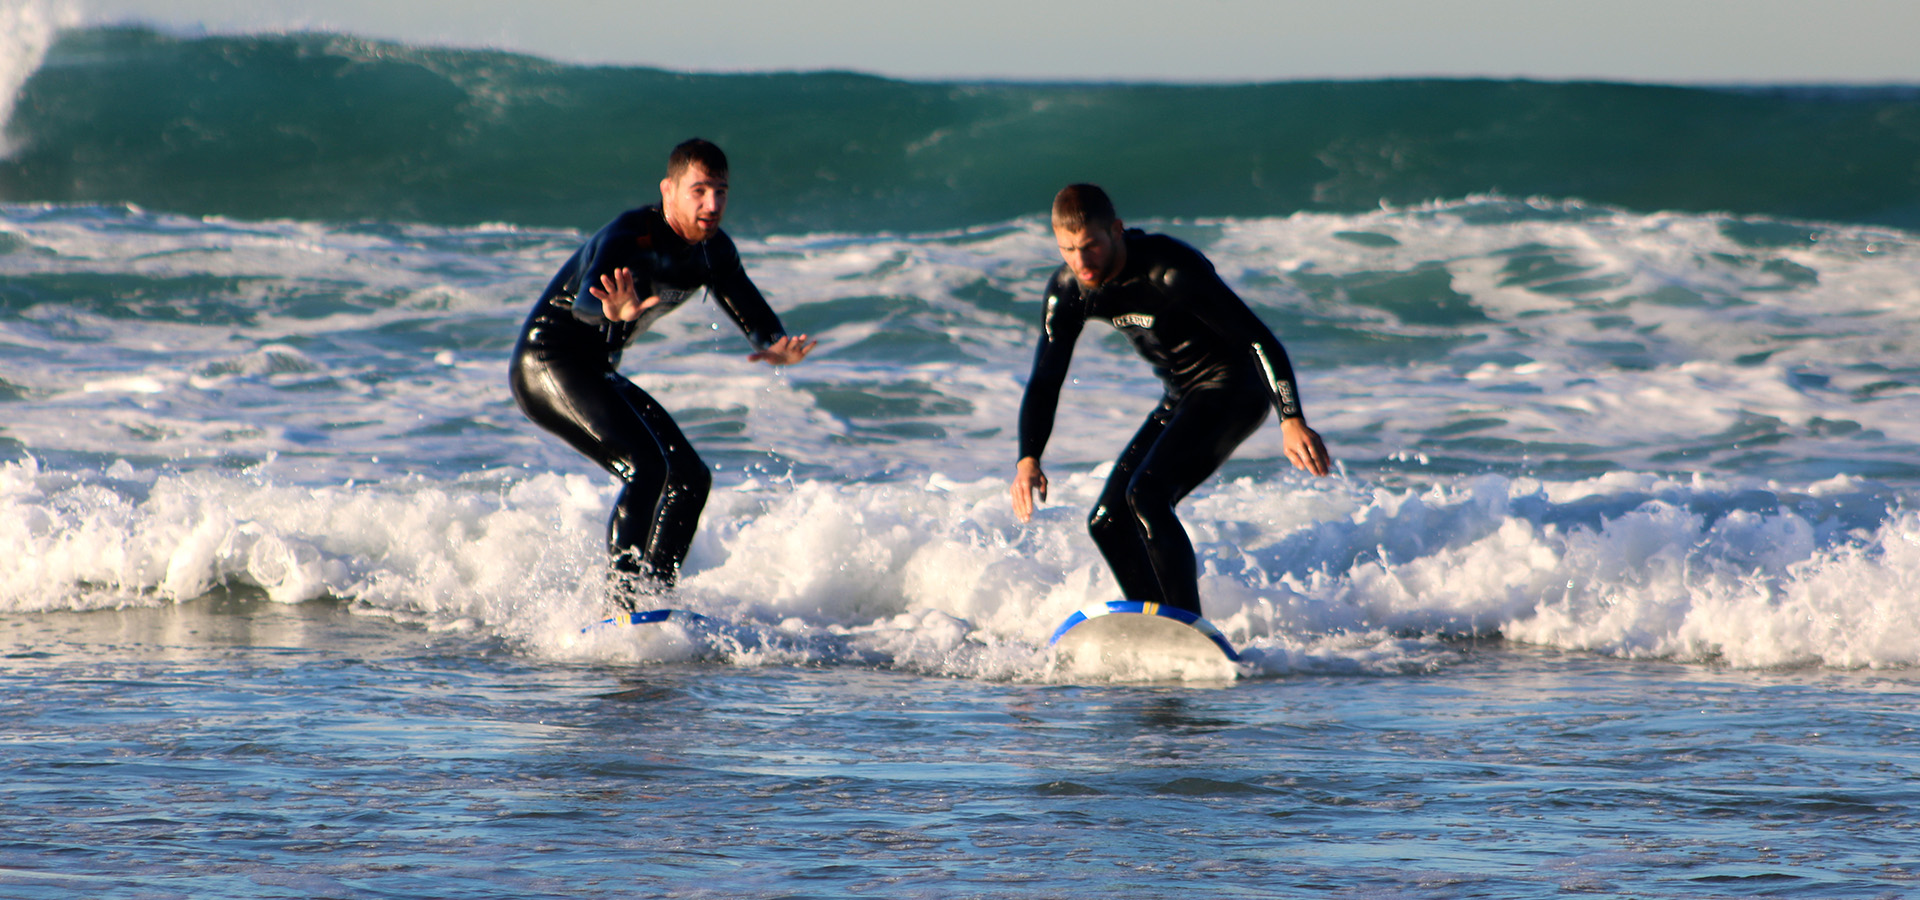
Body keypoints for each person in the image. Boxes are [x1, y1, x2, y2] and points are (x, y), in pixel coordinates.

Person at [510, 138, 816, 608]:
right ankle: (621, 606)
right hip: (547, 364)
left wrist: (776, 347)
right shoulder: (631, 237)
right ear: (668, 190)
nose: (712, 205)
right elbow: (590, 300)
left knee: (691, 478)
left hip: (594, 370)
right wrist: (613, 310)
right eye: (698, 191)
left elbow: (753, 314)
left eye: (721, 191)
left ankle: (654, 602)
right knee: (648, 468)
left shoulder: (714, 252)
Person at [1010, 183, 1331, 617]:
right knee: (1107, 523)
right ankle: (1154, 620)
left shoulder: (1169, 270)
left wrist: (1290, 418)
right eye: (1068, 249)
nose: (1081, 262)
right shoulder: (1071, 289)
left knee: (1147, 496)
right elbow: (1046, 378)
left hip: (1235, 389)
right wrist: (1028, 458)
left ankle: (1187, 623)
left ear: (1117, 231)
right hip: (1181, 395)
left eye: (1091, 246)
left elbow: (1258, 339)